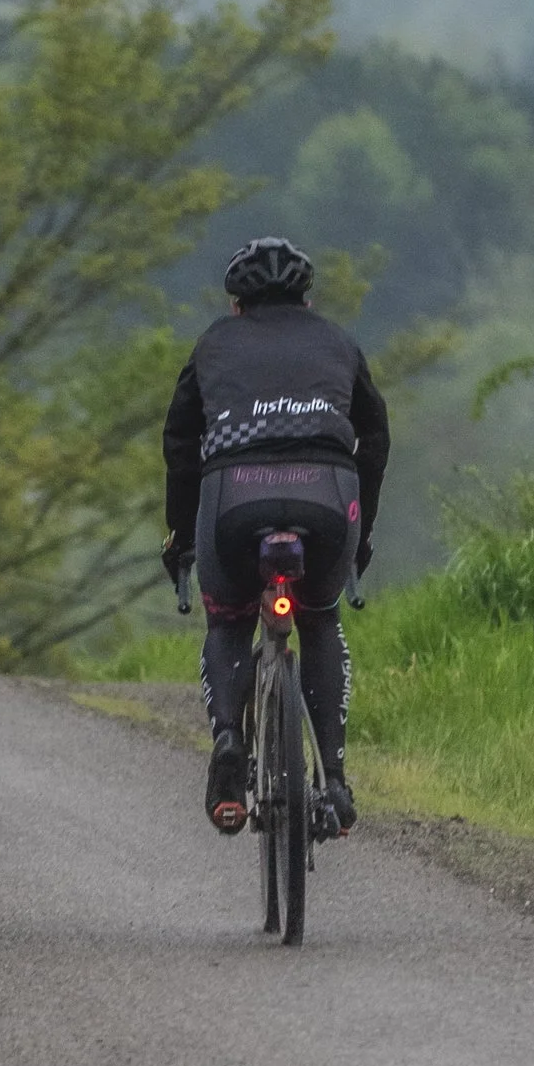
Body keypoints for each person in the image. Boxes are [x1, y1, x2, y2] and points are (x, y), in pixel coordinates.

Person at [161, 234, 390, 838]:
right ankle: (335, 781)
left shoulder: (214, 342)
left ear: (236, 305)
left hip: (234, 498)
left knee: (229, 618)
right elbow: (376, 434)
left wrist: (181, 537)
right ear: (307, 301)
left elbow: (181, 447)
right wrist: (359, 531)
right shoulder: (337, 340)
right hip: (326, 495)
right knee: (317, 618)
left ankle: (230, 746)